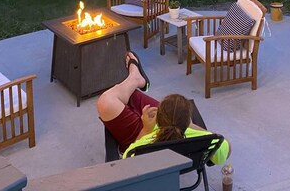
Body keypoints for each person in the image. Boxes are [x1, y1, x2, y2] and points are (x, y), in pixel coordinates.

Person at [97, 51, 231, 164]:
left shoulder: (143, 144)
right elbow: (226, 148)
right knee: (127, 94)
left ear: (158, 118)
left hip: (144, 134)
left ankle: (135, 78)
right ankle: (135, 79)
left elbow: (128, 160)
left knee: (117, 96)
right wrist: (197, 129)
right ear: (187, 121)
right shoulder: (205, 140)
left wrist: (145, 130)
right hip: (186, 141)